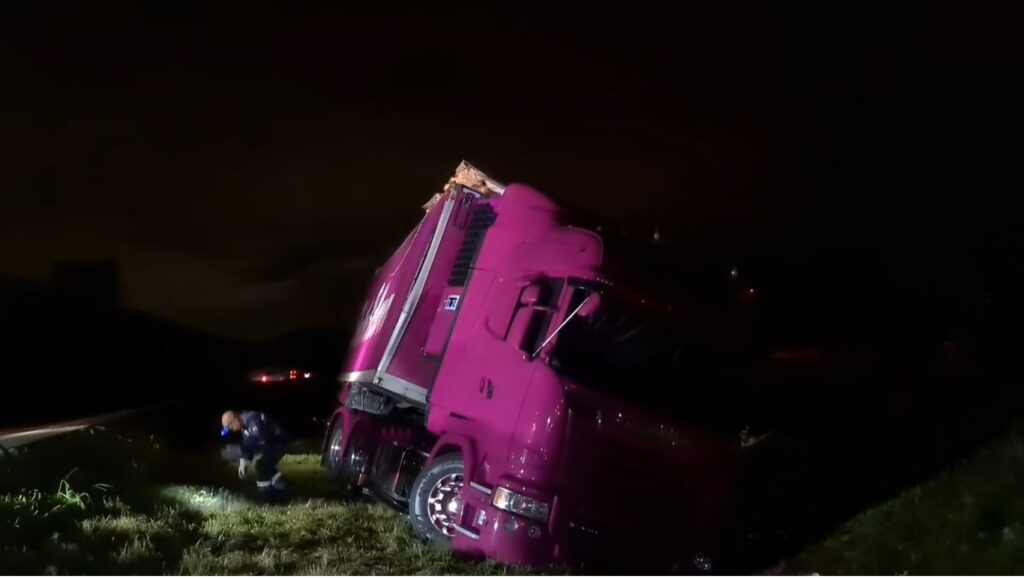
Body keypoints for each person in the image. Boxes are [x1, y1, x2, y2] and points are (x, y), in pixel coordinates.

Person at [221, 410, 289, 500]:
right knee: (263, 466)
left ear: (235, 420)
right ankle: (278, 492)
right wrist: (244, 461)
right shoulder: (244, 427)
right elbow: (248, 442)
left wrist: (241, 452)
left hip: (278, 443)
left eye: (230, 427)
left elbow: (261, 440)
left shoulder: (252, 419)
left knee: (262, 466)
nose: (232, 430)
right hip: (270, 444)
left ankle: (272, 495)